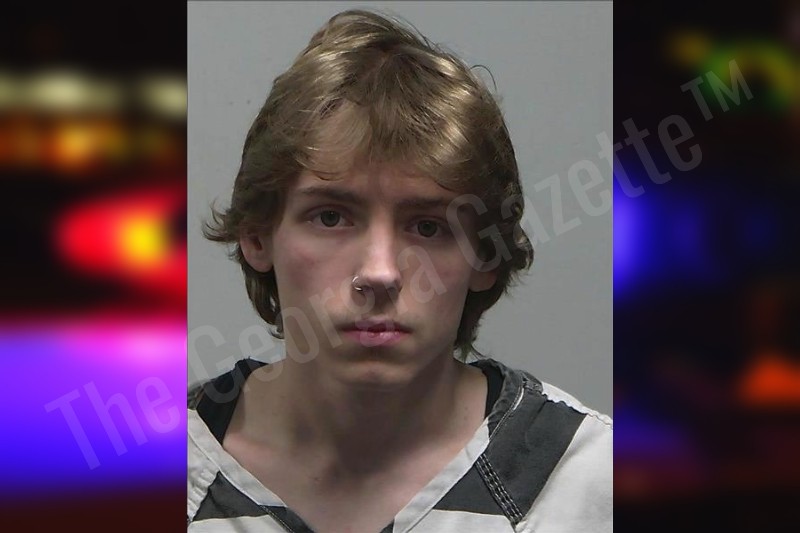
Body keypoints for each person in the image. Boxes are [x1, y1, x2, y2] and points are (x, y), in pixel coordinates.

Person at [188, 9, 611, 533]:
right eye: (331, 217)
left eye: (428, 227)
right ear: (256, 235)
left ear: (485, 253)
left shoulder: (588, 485)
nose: (380, 272)